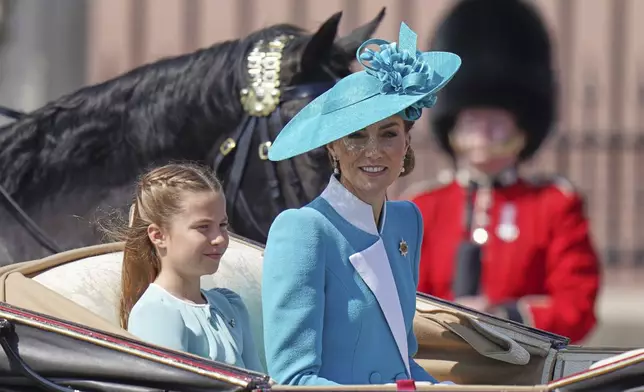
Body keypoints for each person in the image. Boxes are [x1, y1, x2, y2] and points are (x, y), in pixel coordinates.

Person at [260, 22, 461, 386]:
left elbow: (401, 358)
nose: (373, 152)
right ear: (332, 147)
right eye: (355, 136)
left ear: (406, 142)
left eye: (388, 134)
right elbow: (292, 380)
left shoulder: (406, 220)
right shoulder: (303, 229)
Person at [410, 0, 601, 344]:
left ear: (521, 127)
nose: (482, 135)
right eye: (472, 122)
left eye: (496, 124)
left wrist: (505, 316)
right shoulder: (424, 206)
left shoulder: (554, 206)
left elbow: (577, 305)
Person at [114, 162, 264, 372]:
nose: (219, 238)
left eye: (222, 225)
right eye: (203, 227)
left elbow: (260, 381)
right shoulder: (157, 313)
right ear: (158, 236)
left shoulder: (229, 305)